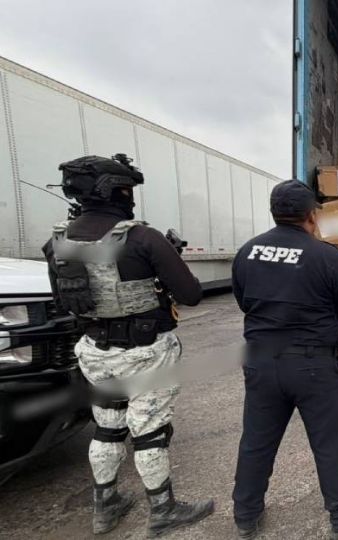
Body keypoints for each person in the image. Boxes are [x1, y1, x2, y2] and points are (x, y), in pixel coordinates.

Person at [42, 154, 213, 536]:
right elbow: (191, 294)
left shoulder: (56, 241)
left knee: (108, 427)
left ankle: (105, 507)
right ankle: (163, 510)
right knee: (150, 431)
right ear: (113, 191)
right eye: (127, 189)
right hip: (146, 353)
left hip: (95, 352)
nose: (130, 196)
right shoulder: (142, 237)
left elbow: (61, 301)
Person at [231, 180, 338, 539]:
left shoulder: (247, 252)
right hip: (314, 366)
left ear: (273, 212)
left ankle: (246, 515)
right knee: (328, 446)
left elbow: (244, 301)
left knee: (256, 441)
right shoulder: (327, 256)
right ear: (312, 215)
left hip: (262, 361)